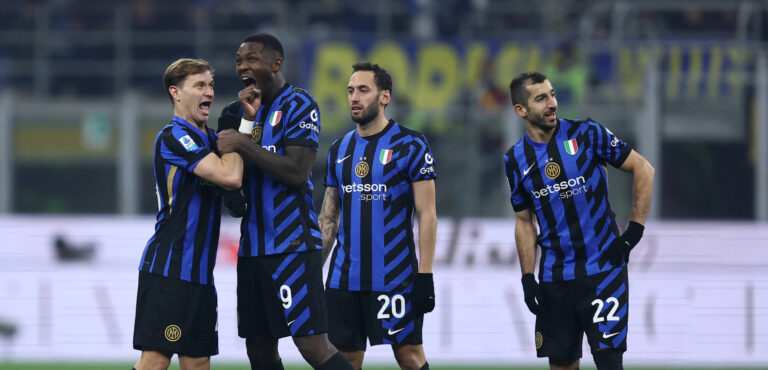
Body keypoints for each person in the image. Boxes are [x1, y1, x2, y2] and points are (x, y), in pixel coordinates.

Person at [215, 34, 354, 370]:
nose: (243, 67)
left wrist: (243, 145)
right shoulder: (234, 114)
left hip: (292, 246)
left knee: (311, 345)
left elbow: (296, 170)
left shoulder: (300, 105)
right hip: (251, 251)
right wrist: (228, 187)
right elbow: (234, 197)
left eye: (251, 59)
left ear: (276, 64)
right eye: (239, 61)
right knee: (259, 350)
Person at [503, 72, 654, 370]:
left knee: (609, 363)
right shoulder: (514, 159)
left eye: (553, 94)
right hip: (554, 279)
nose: (552, 103)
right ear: (520, 110)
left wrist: (632, 233)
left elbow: (644, 169)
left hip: (603, 270)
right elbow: (523, 220)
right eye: (541, 98)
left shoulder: (586, 134)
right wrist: (527, 277)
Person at [318, 62, 437, 370]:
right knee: (347, 359)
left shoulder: (411, 144)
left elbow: (428, 215)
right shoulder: (338, 149)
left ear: (384, 97)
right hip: (344, 278)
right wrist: (312, 268)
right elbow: (329, 218)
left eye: (363, 90)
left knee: (409, 355)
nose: (354, 97)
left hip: (395, 276)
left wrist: (425, 275)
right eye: (350, 91)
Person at [132, 58, 244, 370]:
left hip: (200, 276)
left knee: (197, 362)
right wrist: (236, 134)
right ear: (176, 92)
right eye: (199, 85)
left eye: (210, 85)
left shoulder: (210, 141)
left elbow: (237, 201)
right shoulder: (174, 137)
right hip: (171, 268)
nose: (208, 92)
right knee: (155, 360)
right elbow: (231, 177)